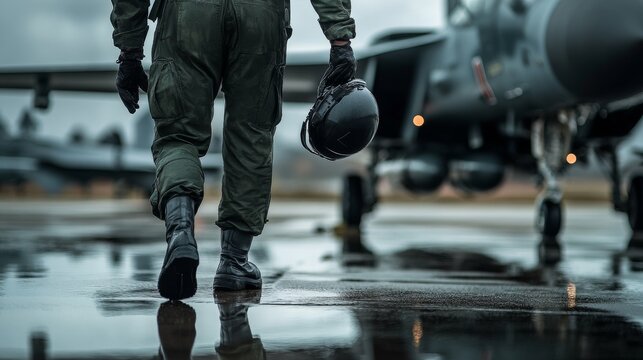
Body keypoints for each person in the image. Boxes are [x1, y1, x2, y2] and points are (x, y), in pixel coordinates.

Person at [110, 0, 357, 299]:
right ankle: (234, 261)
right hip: (261, 17)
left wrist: (130, 49)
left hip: (188, 16)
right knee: (251, 137)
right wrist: (339, 37)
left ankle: (181, 231)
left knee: (178, 136)